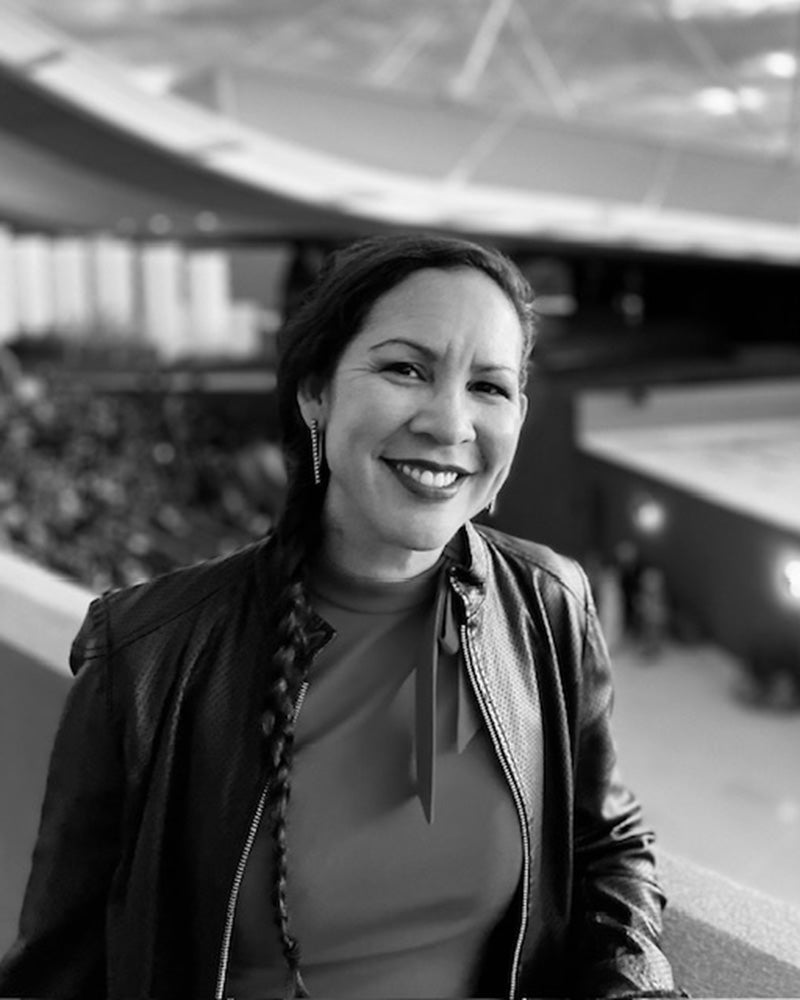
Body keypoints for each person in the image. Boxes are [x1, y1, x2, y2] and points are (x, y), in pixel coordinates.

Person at [0, 234, 680, 1000]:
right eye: (405, 370)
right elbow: (55, 975)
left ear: (519, 414)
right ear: (315, 391)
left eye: (488, 387)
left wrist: (636, 984)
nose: (449, 422)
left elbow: (606, 841)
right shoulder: (145, 656)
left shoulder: (549, 605)